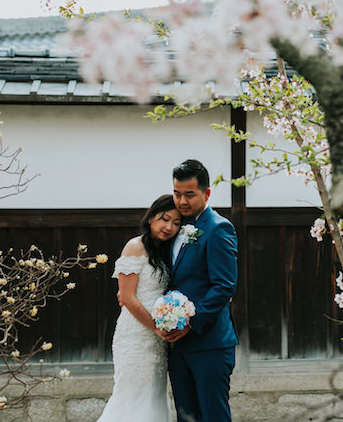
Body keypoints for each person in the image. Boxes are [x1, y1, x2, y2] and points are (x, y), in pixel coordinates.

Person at [162, 159, 239, 422]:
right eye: (176, 193)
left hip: (210, 344)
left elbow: (224, 286)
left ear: (206, 193)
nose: (181, 200)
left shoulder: (219, 228)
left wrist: (190, 324)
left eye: (189, 194)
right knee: (186, 417)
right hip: (177, 346)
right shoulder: (173, 228)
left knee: (213, 416)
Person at [97, 194, 182, 422]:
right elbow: (127, 296)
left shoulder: (164, 251)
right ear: (152, 216)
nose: (169, 227)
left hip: (157, 340)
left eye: (176, 223)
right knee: (130, 395)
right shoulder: (135, 246)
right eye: (165, 219)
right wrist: (155, 327)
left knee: (153, 397)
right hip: (135, 334)